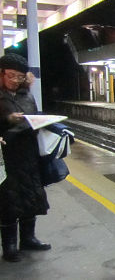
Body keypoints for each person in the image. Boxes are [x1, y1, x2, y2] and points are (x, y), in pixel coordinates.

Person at [0, 54, 51, 262]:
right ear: (2, 73)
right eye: (11, 76)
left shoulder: (27, 96)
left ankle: (28, 238)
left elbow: (33, 116)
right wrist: (7, 120)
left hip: (28, 154)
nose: (15, 81)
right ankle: (10, 246)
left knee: (30, 196)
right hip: (5, 157)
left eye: (21, 77)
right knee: (8, 201)